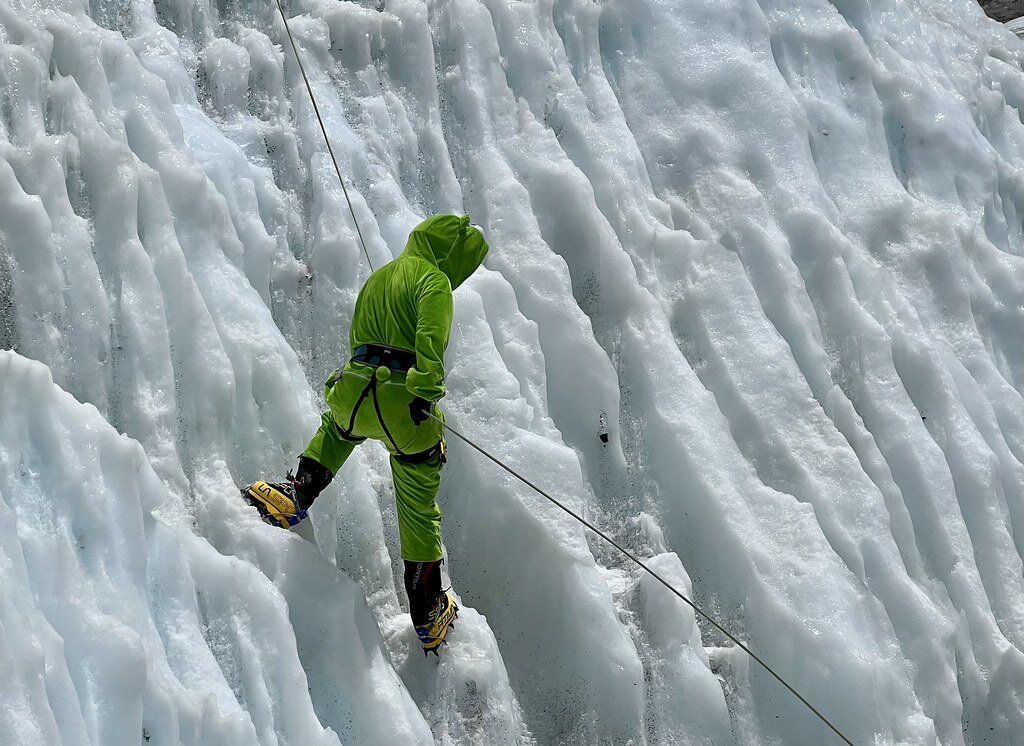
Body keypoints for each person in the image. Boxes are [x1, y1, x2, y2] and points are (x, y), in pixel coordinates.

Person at [242, 214, 489, 655]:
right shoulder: (433, 282)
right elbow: (430, 341)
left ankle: (294, 494)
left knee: (336, 433)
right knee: (417, 493)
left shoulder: (378, 278)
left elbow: (358, 338)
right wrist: (425, 395)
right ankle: (427, 608)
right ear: (448, 256)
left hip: (353, 391)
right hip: (402, 400)